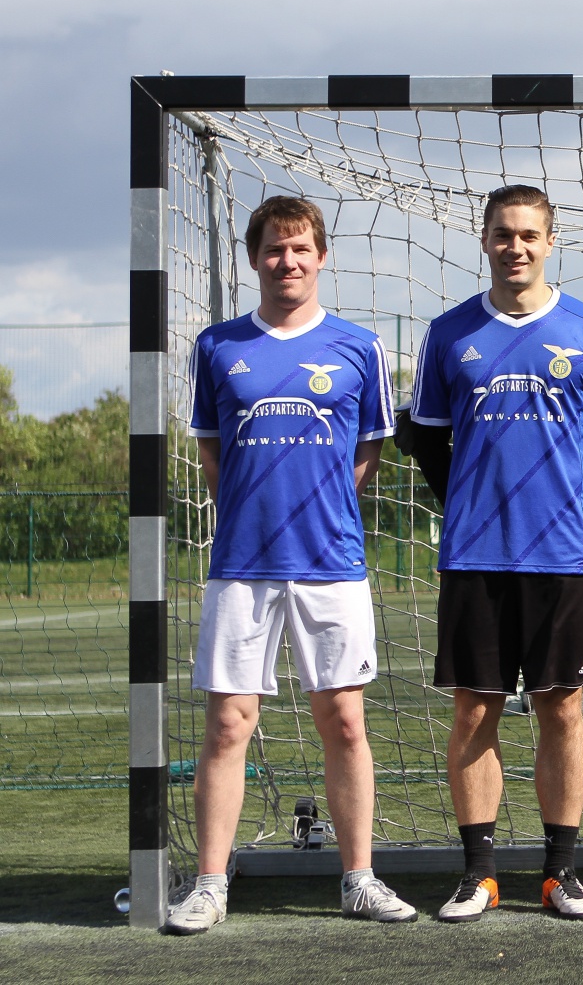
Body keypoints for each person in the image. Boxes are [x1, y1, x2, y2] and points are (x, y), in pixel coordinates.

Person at [167, 196, 414, 934]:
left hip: (331, 562)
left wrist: (318, 508)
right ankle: (210, 885)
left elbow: (366, 452)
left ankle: (359, 879)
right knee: (227, 725)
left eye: (301, 248)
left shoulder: (358, 348)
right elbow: (212, 451)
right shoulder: (217, 347)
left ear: (322, 256)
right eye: (275, 249)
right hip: (242, 565)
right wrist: (254, 510)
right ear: (254, 258)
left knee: (345, 721)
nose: (288, 261)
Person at [406, 185, 583, 922]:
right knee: (475, 709)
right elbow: (424, 437)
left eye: (530, 235)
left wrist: (575, 507)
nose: (516, 247)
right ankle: (479, 874)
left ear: (550, 241)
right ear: (484, 239)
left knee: (562, 707)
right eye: (504, 234)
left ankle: (560, 873)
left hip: (563, 556)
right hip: (475, 554)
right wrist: (466, 502)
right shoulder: (448, 334)